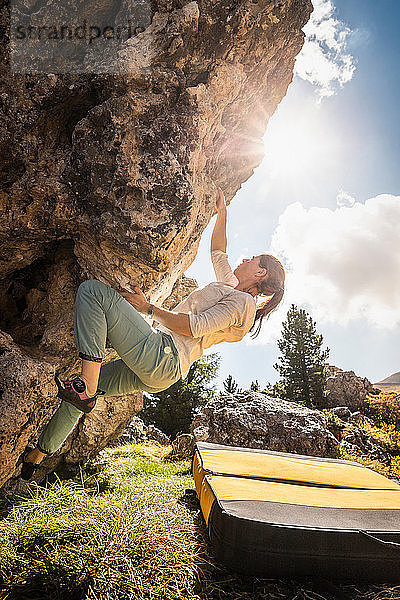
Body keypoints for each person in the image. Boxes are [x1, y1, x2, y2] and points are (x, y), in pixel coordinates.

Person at [20, 187, 285, 480]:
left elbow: (192, 326)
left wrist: (149, 308)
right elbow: (219, 252)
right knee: (83, 393)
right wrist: (223, 213)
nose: (244, 259)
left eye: (252, 260)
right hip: (162, 370)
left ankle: (87, 384)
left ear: (260, 274)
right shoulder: (232, 287)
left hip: (163, 355)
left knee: (92, 293)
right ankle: (38, 455)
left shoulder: (243, 304)